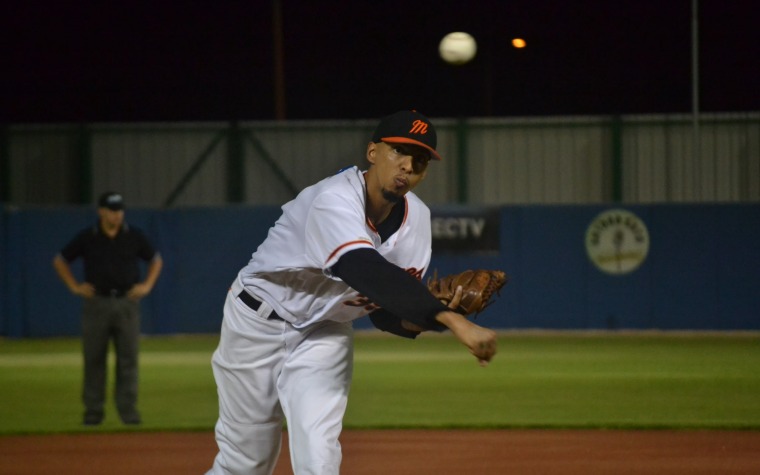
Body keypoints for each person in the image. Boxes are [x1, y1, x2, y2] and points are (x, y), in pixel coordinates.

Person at [206, 110, 497, 475]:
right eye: (398, 152)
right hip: (256, 323)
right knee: (245, 464)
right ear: (373, 152)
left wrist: (428, 318)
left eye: (419, 160)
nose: (408, 166)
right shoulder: (333, 198)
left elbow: (385, 313)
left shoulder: (417, 221)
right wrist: (452, 321)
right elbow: (361, 268)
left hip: (324, 330)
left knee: (320, 453)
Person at [53, 191, 163, 426]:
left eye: (120, 210)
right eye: (112, 210)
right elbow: (60, 259)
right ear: (101, 211)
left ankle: (128, 411)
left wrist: (147, 285)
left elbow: (156, 259)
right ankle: (93, 411)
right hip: (97, 303)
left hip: (126, 304)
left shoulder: (133, 235)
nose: (117, 214)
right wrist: (74, 287)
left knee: (128, 360)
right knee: (94, 358)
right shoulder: (88, 237)